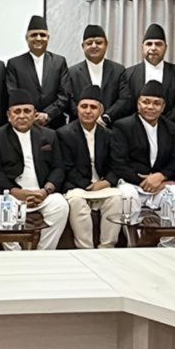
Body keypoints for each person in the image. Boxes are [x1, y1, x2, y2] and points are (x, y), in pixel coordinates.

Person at [0, 89, 69, 250]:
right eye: (17, 112)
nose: (22, 116)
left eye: (27, 111)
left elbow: (58, 168)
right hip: (13, 196)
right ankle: (16, 254)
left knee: (61, 205)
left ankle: (43, 253)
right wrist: (17, 193)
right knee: (2, 208)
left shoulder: (49, 135)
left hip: (42, 194)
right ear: (9, 116)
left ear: (35, 114)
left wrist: (45, 191)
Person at [56, 86, 123, 249]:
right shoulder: (64, 133)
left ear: (101, 110)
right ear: (77, 108)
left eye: (93, 107)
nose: (88, 111)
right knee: (77, 201)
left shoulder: (108, 134)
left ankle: (107, 248)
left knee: (116, 199)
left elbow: (116, 164)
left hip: (102, 186)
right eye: (84, 106)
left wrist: (106, 182)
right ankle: (85, 249)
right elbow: (66, 167)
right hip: (78, 187)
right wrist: (88, 186)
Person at [111, 81, 175, 222]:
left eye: (156, 103)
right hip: (131, 183)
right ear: (138, 104)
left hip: (159, 185)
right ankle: (133, 237)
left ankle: (167, 237)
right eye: (146, 102)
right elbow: (118, 164)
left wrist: (161, 177)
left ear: (163, 107)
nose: (150, 107)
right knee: (128, 196)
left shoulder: (171, 129)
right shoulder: (123, 126)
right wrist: (146, 182)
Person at [110, 24, 175, 126]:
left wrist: (162, 124)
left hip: (169, 128)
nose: (153, 48)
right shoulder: (128, 74)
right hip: (135, 129)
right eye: (149, 44)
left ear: (165, 47)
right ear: (142, 47)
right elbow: (126, 104)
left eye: (158, 44)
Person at [6, 15, 71, 129]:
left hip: (55, 124)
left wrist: (48, 114)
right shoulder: (14, 64)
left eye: (42, 35)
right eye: (34, 35)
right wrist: (31, 115)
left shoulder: (59, 62)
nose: (38, 38)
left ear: (48, 38)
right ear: (26, 38)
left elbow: (65, 95)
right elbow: (13, 94)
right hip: (25, 125)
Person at [66, 25, 124, 126]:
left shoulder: (119, 70)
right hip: (79, 128)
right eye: (89, 43)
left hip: (112, 127)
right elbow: (68, 101)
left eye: (98, 42)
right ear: (83, 46)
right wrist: (86, 117)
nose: (94, 46)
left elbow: (124, 99)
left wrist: (106, 117)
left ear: (106, 44)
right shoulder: (71, 72)